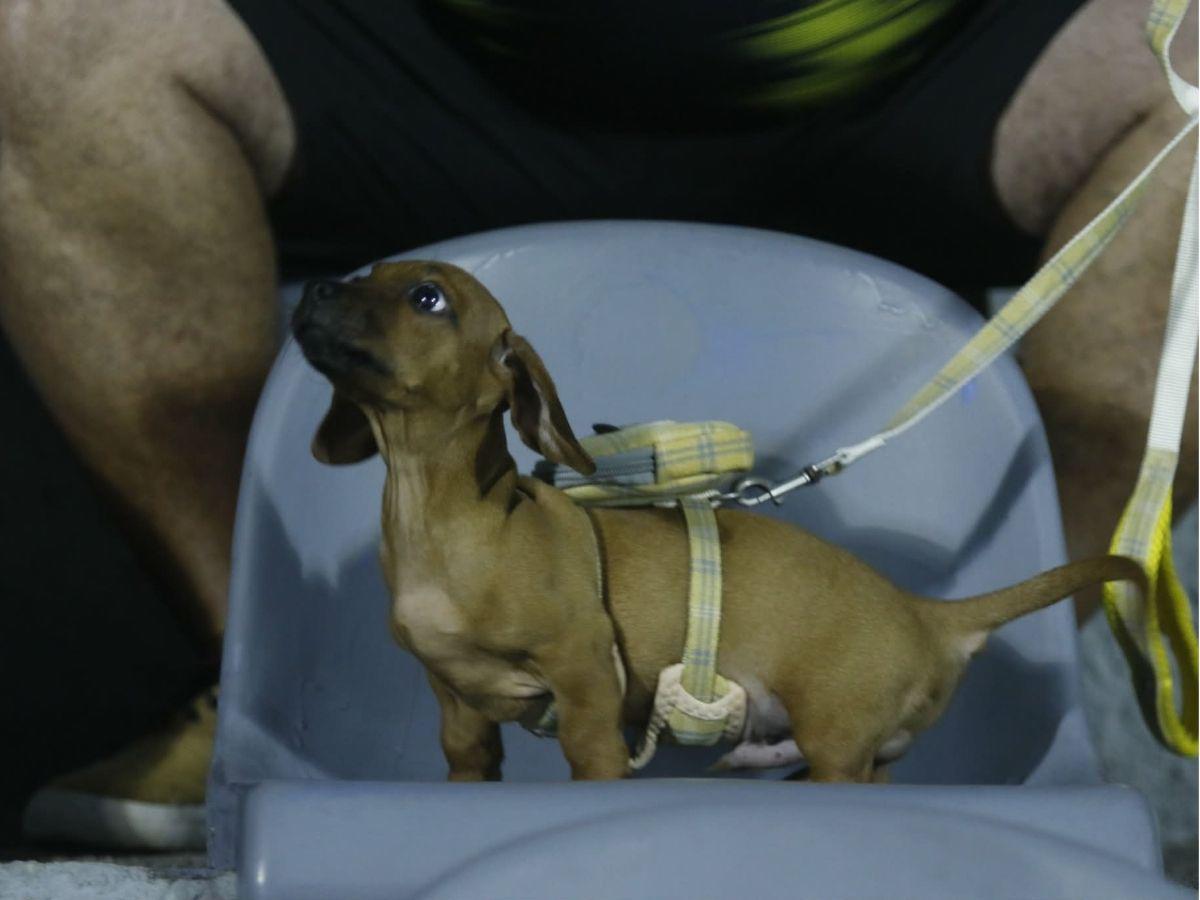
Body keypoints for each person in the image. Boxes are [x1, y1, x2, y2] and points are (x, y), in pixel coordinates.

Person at [0, 0, 1195, 850]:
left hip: (918, 68)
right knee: (48, 27)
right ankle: (267, 690)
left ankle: (969, 705)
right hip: (440, 57)